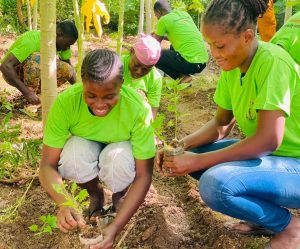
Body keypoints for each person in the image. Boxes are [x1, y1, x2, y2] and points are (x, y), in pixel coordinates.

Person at [156, 1, 300, 249]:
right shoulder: (232, 67)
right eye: (210, 44)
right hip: (274, 161)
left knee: (216, 184)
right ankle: (263, 218)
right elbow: (221, 124)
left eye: (219, 45)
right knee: (197, 154)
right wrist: (181, 145)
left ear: (247, 36)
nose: (214, 52)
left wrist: (198, 161)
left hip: (293, 164)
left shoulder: (273, 63)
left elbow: (268, 140)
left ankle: (291, 228)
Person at [39, 49, 156, 249]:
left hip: (121, 148)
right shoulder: (66, 102)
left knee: (116, 159)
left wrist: (117, 227)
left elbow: (144, 175)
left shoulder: (138, 109)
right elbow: (47, 166)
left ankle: (120, 196)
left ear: (122, 86)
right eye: (91, 95)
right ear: (82, 84)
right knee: (73, 154)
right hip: (86, 143)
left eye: (110, 96)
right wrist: (64, 202)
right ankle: (95, 193)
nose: (99, 105)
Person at [0, 20, 78, 105]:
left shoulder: (63, 45)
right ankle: (29, 98)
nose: (67, 47)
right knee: (38, 58)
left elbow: (69, 68)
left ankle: (36, 97)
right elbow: (6, 66)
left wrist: (80, 89)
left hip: (36, 73)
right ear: (59, 34)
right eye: (67, 44)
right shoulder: (32, 40)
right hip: (14, 73)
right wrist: (27, 93)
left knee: (67, 69)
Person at [152, 0, 208, 83]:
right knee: (172, 46)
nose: (156, 17)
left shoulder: (163, 20)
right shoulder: (184, 14)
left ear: (159, 12)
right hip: (202, 63)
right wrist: (163, 37)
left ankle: (182, 77)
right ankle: (184, 74)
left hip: (190, 64)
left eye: (156, 15)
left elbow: (154, 46)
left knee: (155, 56)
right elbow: (181, 35)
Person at [122, 33, 162, 118]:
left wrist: (144, 103)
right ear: (132, 52)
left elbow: (153, 109)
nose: (139, 72)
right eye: (136, 65)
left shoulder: (155, 78)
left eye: (146, 69)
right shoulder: (116, 65)